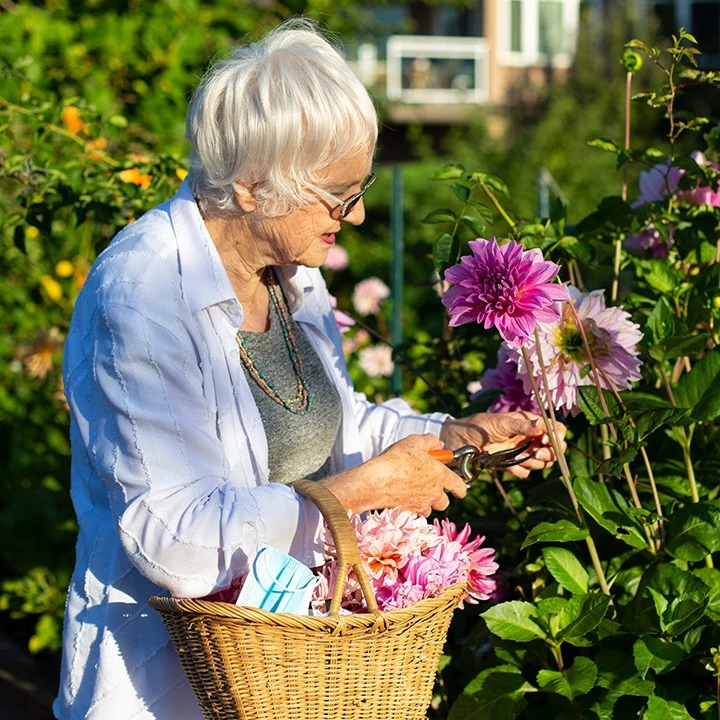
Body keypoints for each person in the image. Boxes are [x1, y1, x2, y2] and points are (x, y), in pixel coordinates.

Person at [54, 19, 565, 720]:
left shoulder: (288, 273)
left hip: (287, 678)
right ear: (254, 185)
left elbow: (336, 426)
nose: (355, 217)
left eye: (361, 188)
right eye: (337, 194)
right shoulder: (143, 292)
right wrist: (357, 493)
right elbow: (171, 538)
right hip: (165, 691)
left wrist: (462, 435)